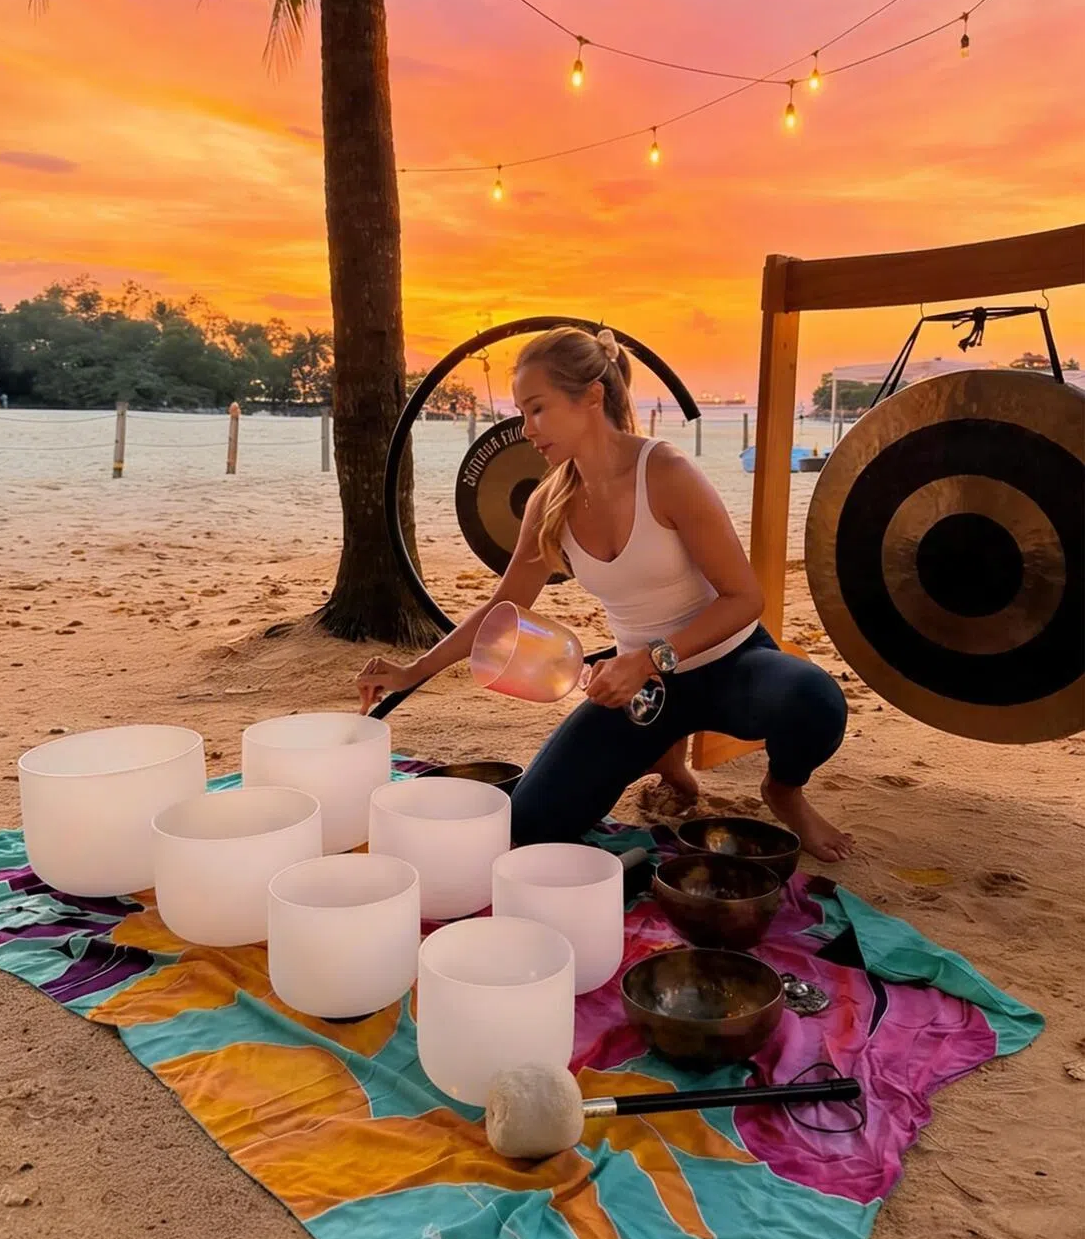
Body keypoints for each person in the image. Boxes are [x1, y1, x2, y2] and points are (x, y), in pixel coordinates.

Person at [357, 326, 853, 862]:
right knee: (536, 822)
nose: (526, 429)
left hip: (730, 664)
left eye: (538, 409)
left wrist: (651, 658)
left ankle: (784, 790)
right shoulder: (550, 501)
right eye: (524, 412)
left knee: (814, 699)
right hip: (641, 694)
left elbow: (743, 598)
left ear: (591, 396)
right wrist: (413, 671)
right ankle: (666, 758)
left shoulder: (667, 473)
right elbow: (506, 611)